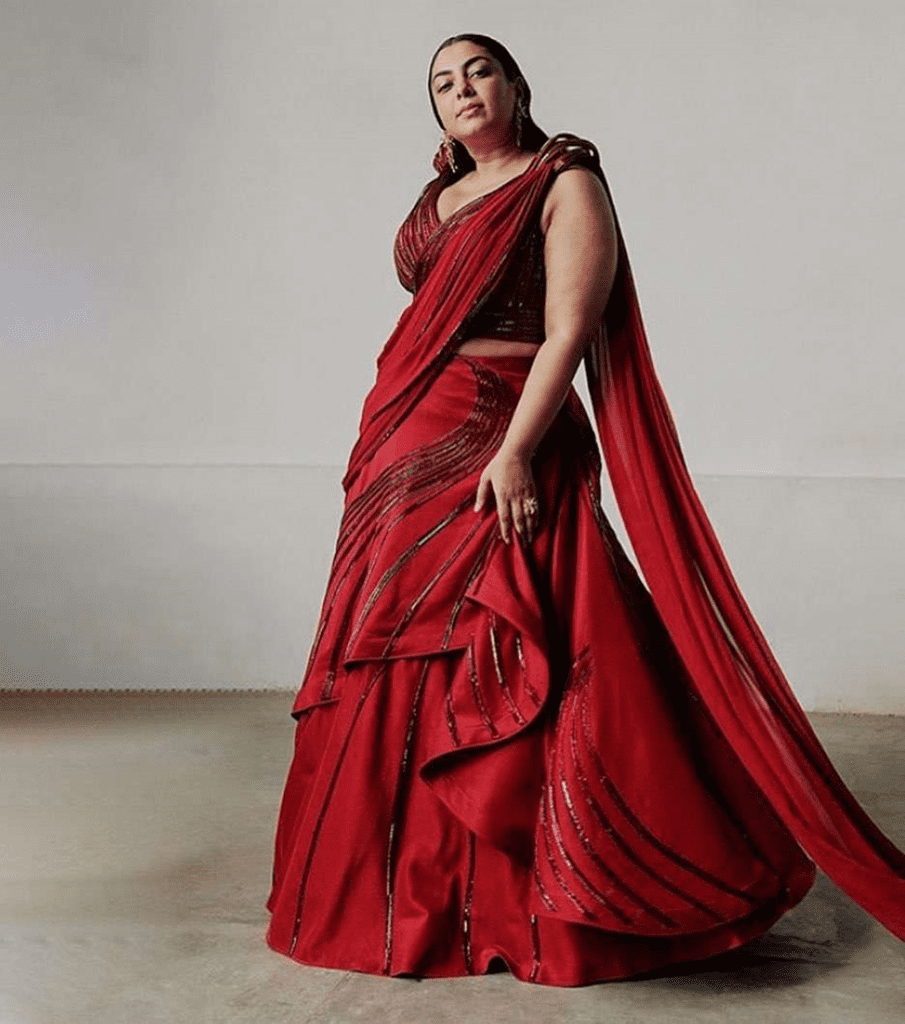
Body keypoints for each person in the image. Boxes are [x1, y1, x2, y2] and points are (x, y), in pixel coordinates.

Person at [264, 34, 905, 986]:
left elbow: (568, 328)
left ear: (516, 84)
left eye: (479, 70)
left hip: (503, 425)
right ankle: (396, 893)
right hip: (407, 430)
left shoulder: (563, 180)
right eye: (442, 83)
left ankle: (547, 890)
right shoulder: (438, 197)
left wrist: (517, 452)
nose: (462, 89)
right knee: (391, 636)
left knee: (525, 624)